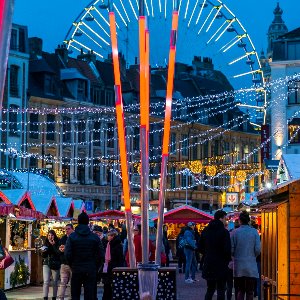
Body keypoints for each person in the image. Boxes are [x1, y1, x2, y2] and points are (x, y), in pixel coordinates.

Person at [65, 212, 104, 300]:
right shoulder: (95, 237)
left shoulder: (72, 237)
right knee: (90, 294)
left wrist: (72, 265)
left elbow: (67, 254)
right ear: (87, 222)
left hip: (76, 268)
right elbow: (101, 255)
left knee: (75, 294)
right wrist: (95, 266)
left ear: (78, 222)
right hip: (90, 268)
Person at [199, 210, 231, 300]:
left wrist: (207, 253)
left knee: (210, 289)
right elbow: (227, 249)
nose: (226, 221)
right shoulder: (224, 232)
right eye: (225, 218)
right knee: (221, 289)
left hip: (209, 262)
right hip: (221, 264)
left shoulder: (206, 230)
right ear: (221, 218)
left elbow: (200, 246)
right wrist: (227, 260)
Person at [231, 211, 261, 300]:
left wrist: (236, 255)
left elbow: (231, 250)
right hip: (251, 265)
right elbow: (258, 249)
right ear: (249, 221)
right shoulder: (254, 232)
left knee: (240, 290)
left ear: (239, 221)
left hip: (238, 265)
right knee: (250, 291)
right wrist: (252, 256)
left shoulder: (234, 232)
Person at [102, 229, 124, 300]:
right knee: (107, 285)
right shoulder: (109, 244)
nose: (107, 237)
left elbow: (119, 258)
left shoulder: (116, 244)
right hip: (109, 267)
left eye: (108, 235)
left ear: (113, 236)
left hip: (113, 268)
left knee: (110, 286)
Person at [41, 230, 61, 300]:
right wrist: (43, 251)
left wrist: (54, 245)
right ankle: (45, 297)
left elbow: (58, 253)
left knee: (55, 282)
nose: (50, 237)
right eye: (49, 235)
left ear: (54, 236)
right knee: (46, 281)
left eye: (52, 235)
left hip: (55, 264)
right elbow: (43, 255)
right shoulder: (45, 243)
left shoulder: (58, 242)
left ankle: (54, 297)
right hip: (46, 263)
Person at [57, 224, 74, 300]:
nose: (67, 231)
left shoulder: (75, 238)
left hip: (73, 264)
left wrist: (66, 249)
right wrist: (60, 250)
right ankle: (61, 298)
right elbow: (59, 249)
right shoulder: (63, 238)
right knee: (63, 283)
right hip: (64, 263)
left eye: (68, 229)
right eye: (66, 229)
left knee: (72, 283)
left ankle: (71, 297)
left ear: (72, 229)